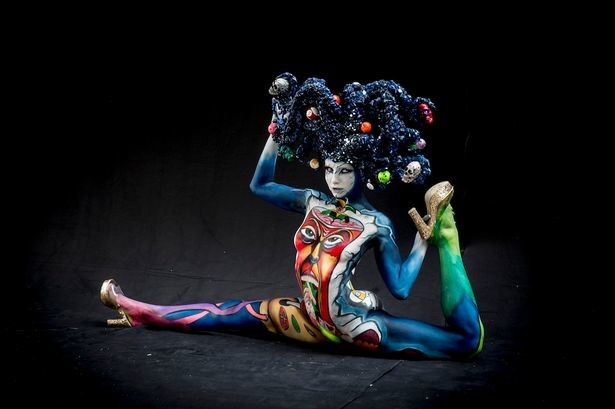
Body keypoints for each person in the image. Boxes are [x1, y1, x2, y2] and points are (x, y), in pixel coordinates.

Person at [100, 74, 484, 359]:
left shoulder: (376, 224)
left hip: (355, 328)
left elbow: (400, 287)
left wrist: (424, 242)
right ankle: (139, 312)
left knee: (465, 343)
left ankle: (448, 233)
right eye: (329, 169)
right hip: (305, 319)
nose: (334, 179)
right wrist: (279, 130)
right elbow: (260, 185)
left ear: (363, 171)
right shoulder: (312, 202)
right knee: (226, 313)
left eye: (345, 171)